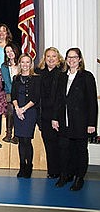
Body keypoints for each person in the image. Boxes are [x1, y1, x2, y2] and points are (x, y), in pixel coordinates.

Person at [53, 48, 98, 191]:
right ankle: (65, 175)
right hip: (64, 121)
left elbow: (92, 102)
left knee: (80, 151)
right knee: (64, 150)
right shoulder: (61, 77)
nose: (71, 60)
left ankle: (79, 178)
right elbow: (58, 100)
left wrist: (92, 123)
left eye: (74, 57)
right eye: (69, 57)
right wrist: (55, 118)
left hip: (81, 122)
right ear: (66, 60)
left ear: (79, 59)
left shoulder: (87, 77)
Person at [35, 47, 64, 179]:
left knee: (59, 144)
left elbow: (61, 98)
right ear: (44, 59)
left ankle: (61, 171)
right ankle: (52, 171)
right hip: (43, 115)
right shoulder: (39, 73)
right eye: (48, 56)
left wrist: (55, 117)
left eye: (53, 56)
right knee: (48, 144)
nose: (51, 59)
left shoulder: (62, 74)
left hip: (57, 115)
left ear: (58, 59)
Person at [12, 53, 40, 178]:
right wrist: (17, 109)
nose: (25, 65)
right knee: (20, 141)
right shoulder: (16, 78)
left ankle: (29, 166)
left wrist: (23, 109)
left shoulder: (36, 78)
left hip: (30, 111)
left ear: (31, 64)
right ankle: (22, 165)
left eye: (27, 62)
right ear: (19, 64)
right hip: (18, 111)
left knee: (27, 140)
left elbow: (36, 97)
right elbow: (13, 96)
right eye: (22, 62)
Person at [1, 43, 21, 144]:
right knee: (11, 108)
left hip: (21, 92)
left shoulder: (22, 63)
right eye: (7, 52)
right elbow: (7, 82)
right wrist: (14, 96)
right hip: (10, 92)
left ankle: (17, 134)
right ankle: (9, 133)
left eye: (11, 51)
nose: (10, 53)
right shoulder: (4, 66)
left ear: (15, 50)